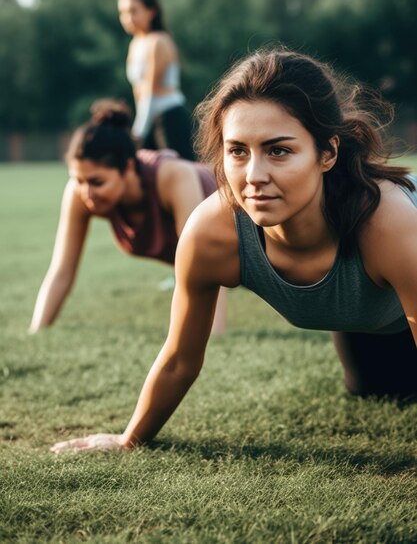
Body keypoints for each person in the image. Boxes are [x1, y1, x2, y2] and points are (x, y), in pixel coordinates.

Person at [51, 48, 417, 454]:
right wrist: (128, 440)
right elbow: (179, 358)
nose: (254, 176)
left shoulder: (385, 221)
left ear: (327, 153)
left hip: (402, 310)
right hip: (364, 320)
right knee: (372, 390)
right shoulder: (212, 232)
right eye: (238, 151)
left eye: (279, 150)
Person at [29, 99, 226, 335]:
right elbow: (61, 270)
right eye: (79, 180)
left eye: (97, 182)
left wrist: (213, 336)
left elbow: (206, 261)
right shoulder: (80, 192)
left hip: (242, 227)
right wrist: (37, 332)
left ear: (129, 167)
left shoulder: (173, 176)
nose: (86, 192)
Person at [117, 0, 196, 160]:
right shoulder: (135, 44)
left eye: (133, 11)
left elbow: (150, 90)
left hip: (170, 118)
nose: (127, 18)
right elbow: (139, 90)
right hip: (149, 118)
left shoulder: (159, 42)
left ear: (151, 11)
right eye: (123, 13)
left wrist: (139, 130)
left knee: (181, 175)